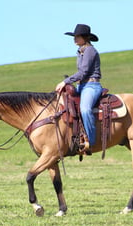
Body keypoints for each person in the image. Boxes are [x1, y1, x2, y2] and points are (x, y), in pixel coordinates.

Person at [55, 24, 103, 152]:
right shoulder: (81, 51)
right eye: (74, 36)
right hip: (81, 86)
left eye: (77, 36)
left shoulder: (90, 51)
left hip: (91, 86)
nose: (74, 39)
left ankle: (91, 142)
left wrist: (65, 82)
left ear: (85, 37)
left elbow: (83, 72)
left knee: (85, 109)